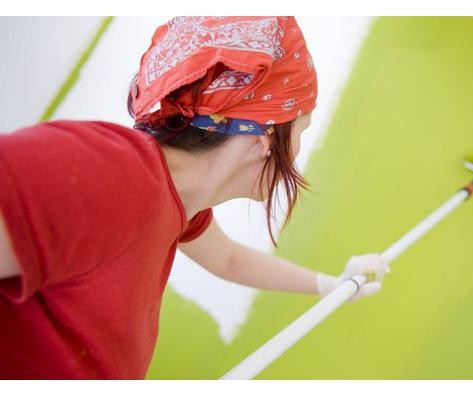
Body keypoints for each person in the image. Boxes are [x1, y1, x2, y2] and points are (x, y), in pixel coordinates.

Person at [0, 16, 389, 379]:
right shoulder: (114, 171)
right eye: (300, 129)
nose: (300, 149)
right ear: (262, 139)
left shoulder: (177, 203)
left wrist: (329, 284)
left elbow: (229, 260)